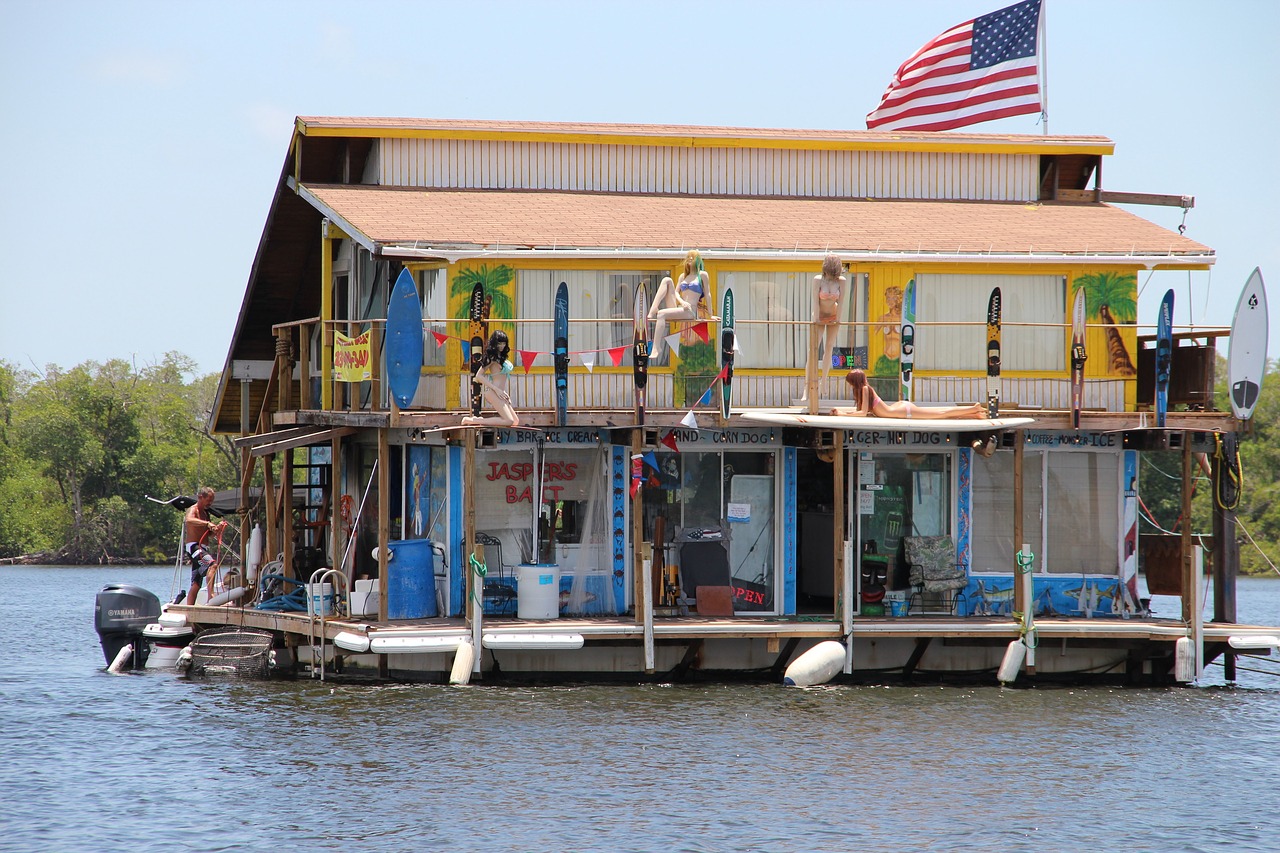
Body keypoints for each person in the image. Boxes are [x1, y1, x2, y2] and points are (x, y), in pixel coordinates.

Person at [833, 368, 986, 419]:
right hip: (897, 408)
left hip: (902, 411)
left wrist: (841, 414)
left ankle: (974, 408)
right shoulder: (863, 390)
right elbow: (861, 411)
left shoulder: (865, 389)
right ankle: (975, 414)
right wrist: (842, 412)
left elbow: (862, 413)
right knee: (938, 413)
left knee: (941, 413)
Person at [648, 250, 718, 359]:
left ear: (698, 260)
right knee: (667, 280)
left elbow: (708, 294)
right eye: (688, 257)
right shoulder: (683, 277)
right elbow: (676, 292)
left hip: (690, 311)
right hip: (681, 308)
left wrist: (711, 314)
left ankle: (656, 348)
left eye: (693, 257)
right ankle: (653, 308)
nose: (690, 259)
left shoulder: (702, 275)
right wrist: (682, 302)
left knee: (661, 314)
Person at [802, 254, 847, 402]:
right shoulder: (818, 280)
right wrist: (816, 319)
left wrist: (838, 320)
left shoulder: (841, 281)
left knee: (829, 348)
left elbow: (841, 303)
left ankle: (824, 382)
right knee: (813, 349)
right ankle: (806, 388)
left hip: (833, 315)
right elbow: (815, 300)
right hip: (819, 315)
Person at [462, 330, 520, 426]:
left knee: (515, 421)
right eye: (499, 344)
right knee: (509, 421)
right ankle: (472, 421)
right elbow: (478, 375)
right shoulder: (491, 358)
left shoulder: (501, 357)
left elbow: (501, 378)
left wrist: (503, 392)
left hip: (501, 393)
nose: (502, 346)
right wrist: (496, 389)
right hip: (493, 391)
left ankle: (477, 420)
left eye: (504, 343)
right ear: (494, 344)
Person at [183, 486, 229, 604]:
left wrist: (217, 529)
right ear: (200, 497)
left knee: (196, 584)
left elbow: (209, 535)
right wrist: (208, 523)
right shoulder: (193, 510)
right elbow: (189, 520)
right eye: (208, 500)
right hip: (194, 546)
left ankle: (189, 610)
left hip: (202, 547)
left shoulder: (205, 513)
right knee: (212, 565)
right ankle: (211, 596)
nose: (210, 503)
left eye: (211, 501)